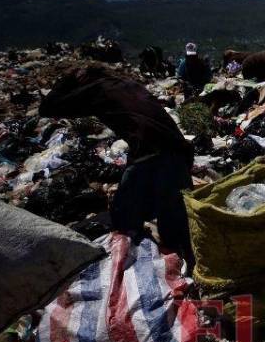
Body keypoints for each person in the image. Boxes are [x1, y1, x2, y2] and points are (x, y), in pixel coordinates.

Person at [39, 64, 195, 265]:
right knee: (178, 225)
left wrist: (67, 80)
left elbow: (48, 107)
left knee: (125, 218)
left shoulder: (97, 89)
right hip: (176, 152)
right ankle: (185, 270)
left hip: (151, 155)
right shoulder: (127, 85)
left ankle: (143, 269)